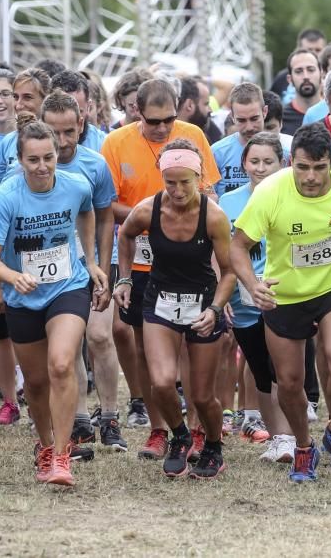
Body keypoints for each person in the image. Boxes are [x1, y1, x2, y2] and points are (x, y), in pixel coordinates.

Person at [230, 123, 331, 482]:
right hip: (286, 294)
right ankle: (303, 446)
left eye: (319, 167)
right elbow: (237, 246)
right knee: (291, 382)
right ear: (290, 163)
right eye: (302, 167)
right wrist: (254, 284)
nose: (310, 177)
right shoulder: (270, 192)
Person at [0, 119, 110, 487]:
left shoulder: (76, 185)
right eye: (33, 160)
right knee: (35, 383)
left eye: (48, 158)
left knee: (63, 362)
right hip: (23, 295)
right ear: (20, 159)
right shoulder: (8, 196)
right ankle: (46, 445)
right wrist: (8, 277)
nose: (42, 167)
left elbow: (87, 211)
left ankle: (63, 455)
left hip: (68, 286)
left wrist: (89, 259)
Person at [99, 78, 219, 458]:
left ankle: (198, 431)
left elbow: (210, 192)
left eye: (169, 119)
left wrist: (183, 217)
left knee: (193, 346)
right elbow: (109, 206)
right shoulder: (116, 143)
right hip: (142, 254)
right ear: (136, 111)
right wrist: (154, 216)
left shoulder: (193, 135)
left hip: (190, 257)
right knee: (145, 347)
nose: (163, 128)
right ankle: (157, 428)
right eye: (154, 122)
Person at [115, 139, 235, 479]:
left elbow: (229, 273)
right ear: (162, 178)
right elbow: (125, 237)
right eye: (171, 181)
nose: (179, 189)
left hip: (202, 304)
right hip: (160, 301)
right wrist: (124, 280)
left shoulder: (214, 217)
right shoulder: (147, 210)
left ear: (199, 177)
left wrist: (215, 308)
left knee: (202, 395)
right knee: (163, 384)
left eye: (186, 181)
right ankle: (180, 437)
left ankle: (212, 445)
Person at [34, 92, 125, 451]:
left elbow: (106, 217)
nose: (62, 141)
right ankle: (81, 418)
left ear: (82, 125)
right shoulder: (33, 165)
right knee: (68, 346)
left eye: (69, 131)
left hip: (95, 261)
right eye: (54, 131)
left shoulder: (95, 164)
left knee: (100, 336)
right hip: (54, 266)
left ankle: (111, 416)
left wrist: (101, 267)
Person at [221, 132, 296, 462]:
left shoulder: (292, 197)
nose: (261, 168)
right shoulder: (228, 202)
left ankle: (291, 437)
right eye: (254, 161)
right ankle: (277, 438)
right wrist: (221, 295)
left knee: (283, 368)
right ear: (243, 164)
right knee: (259, 370)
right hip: (243, 298)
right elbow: (222, 253)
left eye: (269, 162)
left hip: (283, 294)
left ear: (283, 163)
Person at [211, 83, 289, 197]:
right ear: (232, 116)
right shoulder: (217, 153)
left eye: (254, 119)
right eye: (241, 120)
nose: (249, 127)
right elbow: (210, 199)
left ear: (265, 112)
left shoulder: (285, 152)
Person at [270, 28, 327, 102]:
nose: (313, 54)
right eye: (309, 50)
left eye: (318, 50)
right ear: (290, 79)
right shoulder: (282, 79)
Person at [281, 50, 323, 135]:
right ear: (290, 79)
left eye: (311, 70)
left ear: (321, 74)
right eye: (298, 71)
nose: (306, 76)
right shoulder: (281, 119)